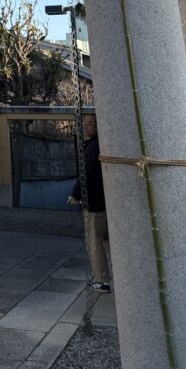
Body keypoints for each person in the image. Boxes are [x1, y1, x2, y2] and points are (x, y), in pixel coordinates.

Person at [69, 113, 111, 292]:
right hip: (107, 201)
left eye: (90, 124)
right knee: (109, 240)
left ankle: (101, 279)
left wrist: (75, 194)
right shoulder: (102, 145)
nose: (86, 127)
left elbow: (87, 173)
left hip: (94, 203)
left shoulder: (94, 147)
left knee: (94, 240)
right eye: (85, 124)